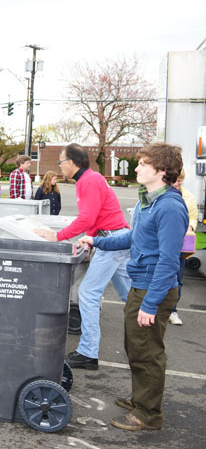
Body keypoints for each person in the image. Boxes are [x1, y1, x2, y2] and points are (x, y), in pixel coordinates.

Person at [78, 142, 187, 431]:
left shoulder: (170, 207)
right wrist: (96, 241)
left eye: (142, 163)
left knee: (148, 353)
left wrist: (150, 304)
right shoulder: (148, 201)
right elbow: (131, 239)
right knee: (136, 348)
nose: (136, 167)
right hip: (142, 286)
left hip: (153, 289)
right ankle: (141, 399)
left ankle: (148, 414)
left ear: (161, 170)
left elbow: (168, 261)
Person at [34, 143, 132, 370]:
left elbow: (87, 218)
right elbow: (94, 217)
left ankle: (88, 353)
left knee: (88, 293)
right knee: (131, 296)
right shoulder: (89, 179)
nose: (59, 166)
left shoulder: (88, 181)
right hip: (115, 238)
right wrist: (88, 244)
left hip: (112, 242)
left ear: (70, 163)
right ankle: (147, 338)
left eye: (60, 162)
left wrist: (56, 236)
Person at [170, 169, 197, 325]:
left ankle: (173, 310)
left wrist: (190, 227)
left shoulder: (189, 196)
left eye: (180, 180)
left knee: (178, 278)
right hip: (165, 242)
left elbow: (193, 217)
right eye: (175, 180)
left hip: (181, 243)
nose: (177, 183)